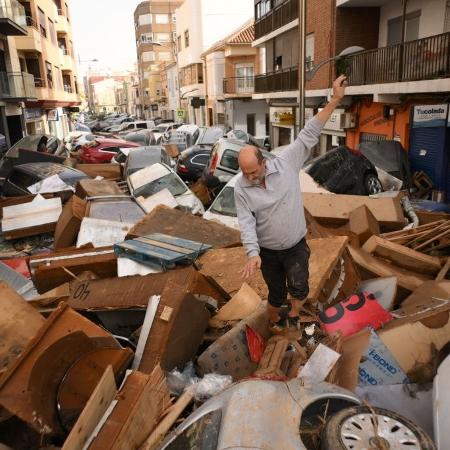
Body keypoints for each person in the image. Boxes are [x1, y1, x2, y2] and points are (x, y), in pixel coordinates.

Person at [234, 75, 347, 333]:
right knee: (275, 292)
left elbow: (309, 133)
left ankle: (294, 316)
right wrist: (252, 253)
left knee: (299, 286)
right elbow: (246, 221)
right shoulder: (241, 187)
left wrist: (335, 100)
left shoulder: (286, 163)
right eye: (245, 173)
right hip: (268, 252)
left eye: (254, 172)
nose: (250, 178)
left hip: (295, 246)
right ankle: (274, 320)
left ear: (263, 162)